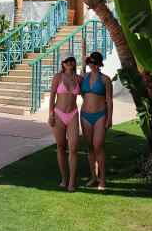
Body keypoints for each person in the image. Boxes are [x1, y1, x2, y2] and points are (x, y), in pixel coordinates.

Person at [48, 50, 82, 191]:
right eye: (66, 61)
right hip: (58, 114)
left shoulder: (79, 79)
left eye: (71, 60)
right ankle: (64, 178)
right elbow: (52, 97)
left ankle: (72, 181)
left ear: (74, 62)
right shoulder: (57, 77)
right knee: (61, 147)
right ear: (62, 63)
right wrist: (51, 115)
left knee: (73, 147)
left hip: (73, 114)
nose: (69, 63)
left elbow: (88, 94)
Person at [80, 51, 113, 190]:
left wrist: (109, 118)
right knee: (90, 147)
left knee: (98, 146)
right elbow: (80, 91)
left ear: (100, 64)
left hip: (100, 115)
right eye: (90, 62)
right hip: (85, 115)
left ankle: (103, 179)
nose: (92, 65)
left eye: (95, 62)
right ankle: (94, 177)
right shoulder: (84, 77)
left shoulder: (105, 79)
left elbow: (109, 100)